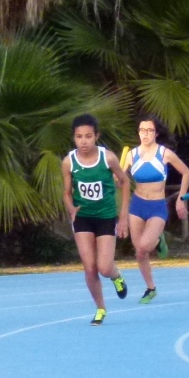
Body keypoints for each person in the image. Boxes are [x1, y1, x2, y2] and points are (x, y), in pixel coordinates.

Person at [61, 114, 131, 326]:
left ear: (96, 136)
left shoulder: (107, 158)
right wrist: (71, 207)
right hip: (83, 217)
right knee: (90, 267)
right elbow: (66, 192)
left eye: (88, 136)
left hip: (106, 216)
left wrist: (124, 216)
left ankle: (116, 276)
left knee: (104, 267)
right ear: (74, 138)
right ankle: (100, 308)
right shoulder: (69, 162)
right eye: (79, 137)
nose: (83, 141)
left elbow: (124, 182)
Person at [121, 116, 189, 303]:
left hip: (157, 206)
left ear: (156, 133)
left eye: (149, 130)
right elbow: (121, 178)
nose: (145, 134)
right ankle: (151, 288)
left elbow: (186, 172)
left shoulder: (164, 153)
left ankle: (159, 239)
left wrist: (181, 199)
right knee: (139, 251)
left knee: (144, 246)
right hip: (137, 205)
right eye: (142, 130)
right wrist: (115, 179)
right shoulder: (131, 155)